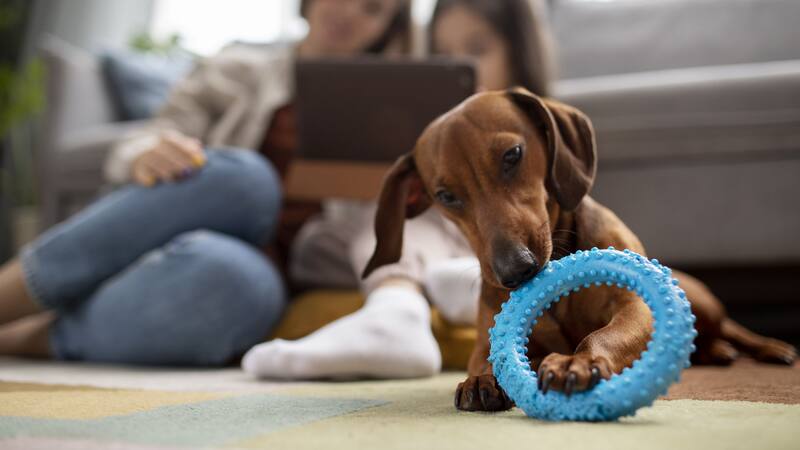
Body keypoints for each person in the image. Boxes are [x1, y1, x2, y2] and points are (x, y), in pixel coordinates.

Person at [0, 0, 413, 366]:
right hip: (204, 212)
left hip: (272, 268)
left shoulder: (387, 111)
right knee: (247, 180)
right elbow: (152, 134)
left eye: (373, 9)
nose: (351, 11)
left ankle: (31, 339)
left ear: (386, 31)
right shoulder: (235, 68)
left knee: (236, 284)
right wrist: (149, 151)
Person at [241, 0, 554, 379]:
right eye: (443, 55)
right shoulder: (433, 134)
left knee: (402, 220)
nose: (460, 67)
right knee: (317, 244)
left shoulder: (536, 128)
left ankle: (396, 311)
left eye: (476, 50)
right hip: (390, 243)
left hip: (476, 242)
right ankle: (443, 281)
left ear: (519, 55)